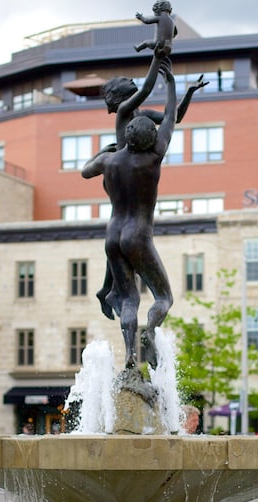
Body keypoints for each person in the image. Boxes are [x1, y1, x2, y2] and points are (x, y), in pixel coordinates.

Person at [91, 56, 207, 326]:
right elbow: (145, 90)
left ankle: (107, 289)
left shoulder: (141, 117)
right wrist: (158, 60)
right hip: (123, 176)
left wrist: (187, 93)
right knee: (125, 223)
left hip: (128, 175)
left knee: (119, 230)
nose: (134, 83)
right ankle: (110, 289)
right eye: (128, 83)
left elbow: (173, 116)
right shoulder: (124, 114)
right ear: (120, 96)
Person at [81, 61, 179, 370]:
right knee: (163, 298)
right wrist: (172, 83)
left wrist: (102, 152)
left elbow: (84, 171)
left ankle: (130, 356)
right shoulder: (152, 159)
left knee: (128, 300)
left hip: (113, 234)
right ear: (150, 139)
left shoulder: (110, 160)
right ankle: (149, 331)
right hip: (138, 234)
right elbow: (171, 118)